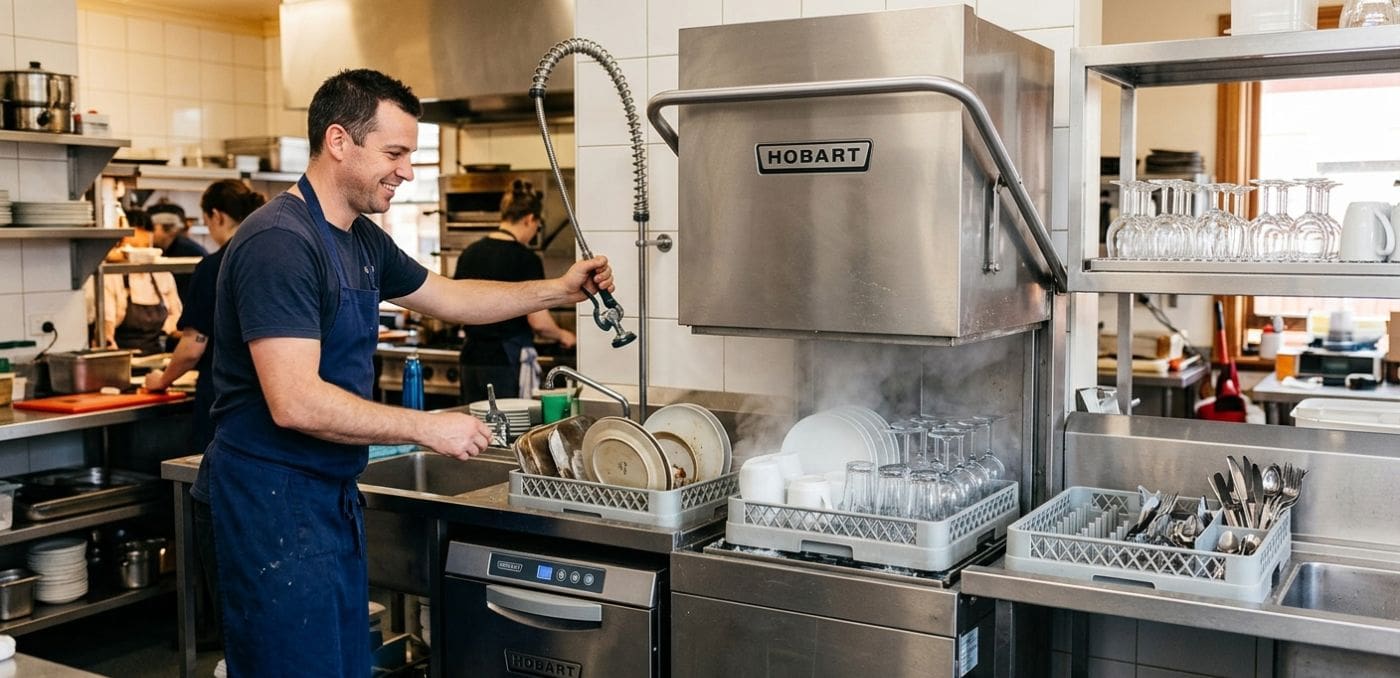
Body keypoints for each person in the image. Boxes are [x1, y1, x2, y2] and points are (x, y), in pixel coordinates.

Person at [203, 69, 613, 677]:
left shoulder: (359, 238)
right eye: (394, 153)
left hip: (326, 495)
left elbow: (451, 297)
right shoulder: (280, 243)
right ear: (339, 141)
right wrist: (427, 426)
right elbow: (294, 401)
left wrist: (556, 289)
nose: (406, 171)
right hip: (272, 502)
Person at [144, 180, 266, 654]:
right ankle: (247, 621)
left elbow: (194, 345)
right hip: (265, 410)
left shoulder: (217, 263)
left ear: (216, 216)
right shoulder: (277, 251)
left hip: (223, 406)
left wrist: (162, 380)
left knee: (214, 511)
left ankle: (220, 625)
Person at [454, 179, 576, 403]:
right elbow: (539, 322)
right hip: (505, 361)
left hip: (470, 358)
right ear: (530, 219)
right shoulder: (525, 258)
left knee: (476, 430)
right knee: (508, 430)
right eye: (536, 226)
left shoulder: (470, 253)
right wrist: (563, 335)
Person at [94, 208, 183, 355]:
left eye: (147, 247)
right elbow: (106, 322)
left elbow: (175, 318)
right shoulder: (111, 275)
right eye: (133, 248)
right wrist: (107, 342)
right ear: (119, 246)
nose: (141, 255)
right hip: (121, 358)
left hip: (156, 359)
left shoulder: (162, 274)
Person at [147, 202, 208, 305]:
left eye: (151, 228)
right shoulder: (161, 249)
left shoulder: (191, 252)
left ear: (167, 228)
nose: (147, 234)